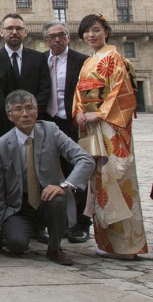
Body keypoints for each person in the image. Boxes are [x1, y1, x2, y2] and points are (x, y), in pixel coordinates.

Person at [73, 13, 148, 260]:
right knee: (99, 183)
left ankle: (128, 246)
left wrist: (101, 113)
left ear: (106, 31)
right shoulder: (88, 62)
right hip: (93, 127)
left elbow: (121, 92)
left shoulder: (114, 57)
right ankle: (109, 244)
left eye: (95, 30)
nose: (91, 35)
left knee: (116, 177)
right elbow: (79, 94)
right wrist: (81, 112)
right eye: (87, 31)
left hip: (111, 127)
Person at [0, 90, 95, 265]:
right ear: (10, 116)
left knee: (58, 199)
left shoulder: (51, 130)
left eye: (29, 108)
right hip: (20, 206)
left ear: (37, 111)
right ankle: (25, 231)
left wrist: (65, 185)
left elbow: (85, 159)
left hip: (48, 198)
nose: (25, 114)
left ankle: (54, 248)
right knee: (15, 245)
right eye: (18, 109)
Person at [41, 19, 91, 243]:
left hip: (74, 123)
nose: (57, 39)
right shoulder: (40, 61)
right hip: (50, 123)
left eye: (61, 35)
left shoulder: (83, 62)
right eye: (52, 36)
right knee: (52, 171)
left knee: (78, 171)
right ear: (46, 40)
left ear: (69, 37)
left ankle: (80, 224)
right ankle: (57, 223)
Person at [0, 13, 51, 113]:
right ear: (1, 32)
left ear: (25, 32)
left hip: (33, 117)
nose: (14, 32)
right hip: (3, 117)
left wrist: (32, 110)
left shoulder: (38, 58)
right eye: (9, 28)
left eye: (19, 28)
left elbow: (45, 89)